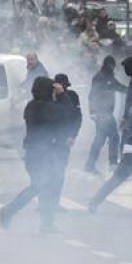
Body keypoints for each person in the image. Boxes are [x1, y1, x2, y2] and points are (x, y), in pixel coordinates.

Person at [0, 77, 73, 233]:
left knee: (45, 187)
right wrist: (62, 95)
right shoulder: (43, 107)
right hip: (41, 154)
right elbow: (67, 112)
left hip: (38, 152)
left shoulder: (32, 105)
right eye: (51, 89)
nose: (53, 92)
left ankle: (47, 224)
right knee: (40, 186)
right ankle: (10, 210)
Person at [85, 56, 127, 175]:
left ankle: (90, 165)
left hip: (105, 113)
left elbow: (118, 86)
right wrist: (92, 111)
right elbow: (92, 95)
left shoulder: (108, 76)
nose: (113, 68)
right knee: (114, 137)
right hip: (102, 113)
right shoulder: (100, 77)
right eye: (113, 65)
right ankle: (112, 164)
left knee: (100, 140)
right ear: (110, 65)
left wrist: (130, 89)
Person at [53, 74, 82, 206]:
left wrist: (73, 135)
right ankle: (45, 202)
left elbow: (77, 117)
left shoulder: (72, 96)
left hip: (63, 139)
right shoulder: (48, 96)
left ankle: (55, 201)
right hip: (48, 139)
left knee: (59, 171)